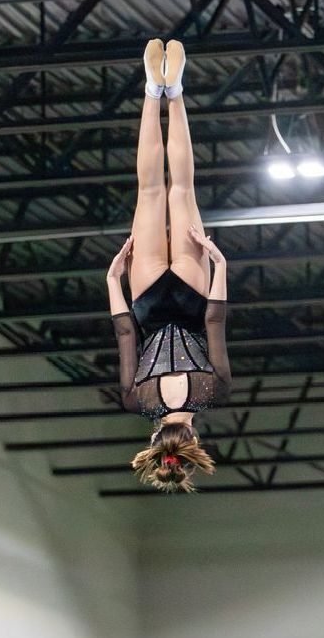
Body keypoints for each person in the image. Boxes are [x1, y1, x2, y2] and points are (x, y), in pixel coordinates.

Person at [106, 38, 232, 493]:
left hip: (194, 294)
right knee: (149, 192)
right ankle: (150, 91)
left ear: (192, 438)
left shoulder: (212, 393)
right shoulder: (136, 399)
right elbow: (124, 333)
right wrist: (111, 279)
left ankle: (174, 91)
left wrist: (220, 265)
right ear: (157, 439)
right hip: (147, 301)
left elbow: (215, 321)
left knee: (181, 189)